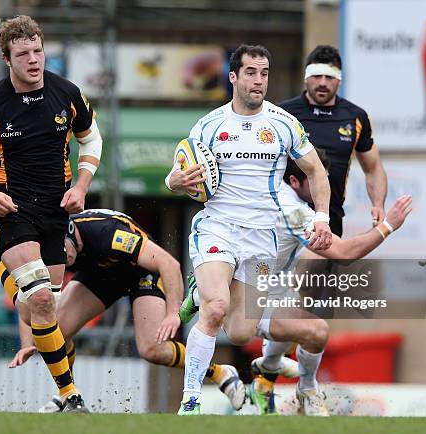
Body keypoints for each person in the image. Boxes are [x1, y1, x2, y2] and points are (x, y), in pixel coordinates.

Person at [166, 44, 333, 415]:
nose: (259, 81)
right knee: (216, 307)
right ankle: (190, 399)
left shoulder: (284, 123)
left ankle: (204, 296)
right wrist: (176, 183)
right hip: (218, 226)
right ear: (234, 77)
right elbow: (179, 172)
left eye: (264, 73)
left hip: (260, 239)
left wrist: (321, 217)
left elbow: (316, 171)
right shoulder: (209, 125)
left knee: (240, 331)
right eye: (251, 73)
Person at [179, 151, 412, 416]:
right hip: (250, 288)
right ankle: (205, 300)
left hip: (265, 285)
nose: (324, 186)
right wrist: (388, 226)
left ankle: (297, 382)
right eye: (315, 179)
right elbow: (345, 252)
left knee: (314, 329)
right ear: (293, 181)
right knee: (251, 330)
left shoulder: (275, 188)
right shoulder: (292, 211)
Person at [0, 15, 103, 412]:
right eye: (24, 54)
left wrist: (81, 186)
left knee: (40, 306)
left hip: (55, 209)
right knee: (38, 297)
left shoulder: (68, 93)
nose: (34, 60)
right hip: (10, 209)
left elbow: (91, 139)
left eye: (38, 51)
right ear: (7, 58)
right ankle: (71, 397)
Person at [0, 209, 247, 412]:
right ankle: (68, 396)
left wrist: (174, 313)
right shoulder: (56, 248)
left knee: (151, 349)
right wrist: (29, 342)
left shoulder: (107, 234)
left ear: (73, 234)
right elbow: (34, 300)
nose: (62, 261)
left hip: (140, 274)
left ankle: (220, 372)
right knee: (53, 333)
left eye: (64, 254)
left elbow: (169, 264)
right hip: (100, 277)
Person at [279, 45, 387, 236]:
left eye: (329, 77)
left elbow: (373, 168)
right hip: (287, 215)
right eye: (316, 76)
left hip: (331, 217)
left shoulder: (355, 117)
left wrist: (378, 205)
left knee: (327, 263)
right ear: (305, 77)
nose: (322, 83)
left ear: (339, 80)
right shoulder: (283, 114)